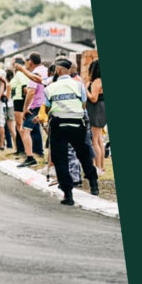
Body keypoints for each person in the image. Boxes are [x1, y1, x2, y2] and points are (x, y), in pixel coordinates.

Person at [44, 58, 99, 205]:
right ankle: (94, 184)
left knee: (60, 159)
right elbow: (83, 104)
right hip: (77, 124)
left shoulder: (50, 87)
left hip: (58, 125)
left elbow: (47, 108)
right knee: (84, 154)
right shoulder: (78, 85)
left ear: (58, 70)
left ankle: (68, 195)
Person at [14, 52, 48, 167]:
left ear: (31, 61)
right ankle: (46, 156)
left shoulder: (35, 73)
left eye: (27, 60)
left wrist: (25, 108)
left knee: (24, 130)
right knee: (47, 131)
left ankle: (30, 157)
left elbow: (31, 91)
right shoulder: (45, 70)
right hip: (45, 104)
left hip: (35, 105)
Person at [86, 59, 107, 174]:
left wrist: (85, 89)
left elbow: (93, 98)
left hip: (96, 109)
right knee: (99, 139)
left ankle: (97, 167)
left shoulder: (97, 81)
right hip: (101, 109)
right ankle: (101, 166)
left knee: (94, 140)